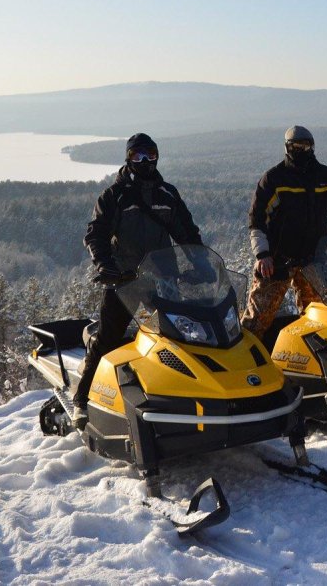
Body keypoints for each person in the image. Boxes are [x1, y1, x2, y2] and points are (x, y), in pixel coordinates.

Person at [73, 132, 202, 430]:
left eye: (150, 155)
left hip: (164, 279)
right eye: (137, 156)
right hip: (125, 280)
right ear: (128, 158)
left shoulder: (167, 194)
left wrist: (199, 265)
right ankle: (81, 400)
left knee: (177, 338)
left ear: (157, 156)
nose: (144, 161)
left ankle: (179, 396)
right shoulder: (114, 196)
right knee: (108, 337)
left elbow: (187, 233)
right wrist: (105, 264)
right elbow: (96, 235)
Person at [242, 125, 327, 343]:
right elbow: (257, 218)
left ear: (312, 147)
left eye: (306, 146)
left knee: (319, 320)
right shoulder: (274, 179)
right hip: (277, 260)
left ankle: (311, 364)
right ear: (287, 148)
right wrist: (262, 254)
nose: (302, 150)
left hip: (314, 260)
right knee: (257, 321)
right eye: (296, 146)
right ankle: (244, 363)